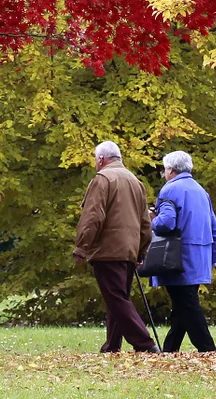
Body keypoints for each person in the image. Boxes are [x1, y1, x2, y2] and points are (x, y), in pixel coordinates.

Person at [73, 141, 160, 354]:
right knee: (117, 298)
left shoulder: (102, 179)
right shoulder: (136, 182)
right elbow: (145, 223)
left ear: (101, 159)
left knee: (117, 299)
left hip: (107, 250)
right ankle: (112, 346)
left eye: (96, 160)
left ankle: (145, 345)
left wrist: (81, 247)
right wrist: (141, 250)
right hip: (129, 250)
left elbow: (93, 217)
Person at [150, 150, 216, 353]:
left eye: (165, 169)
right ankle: (170, 349)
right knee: (183, 304)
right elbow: (213, 227)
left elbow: (166, 223)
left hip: (178, 256)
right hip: (200, 256)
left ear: (172, 170)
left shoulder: (169, 190)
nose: (164, 173)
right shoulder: (201, 191)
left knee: (187, 304)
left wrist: (151, 219)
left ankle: (208, 349)